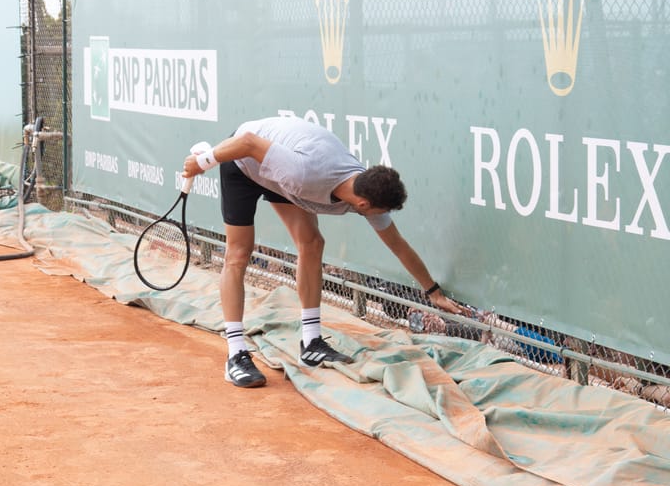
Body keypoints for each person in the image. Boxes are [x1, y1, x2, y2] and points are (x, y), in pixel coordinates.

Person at [183, 116, 465, 388]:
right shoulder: (303, 173)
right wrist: (202, 161)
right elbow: (246, 141)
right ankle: (235, 353)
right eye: (383, 211)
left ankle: (311, 342)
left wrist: (433, 292)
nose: (385, 216)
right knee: (238, 254)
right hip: (243, 162)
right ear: (364, 204)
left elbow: (398, 244)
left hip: (278, 166)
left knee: (312, 243)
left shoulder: (363, 188)